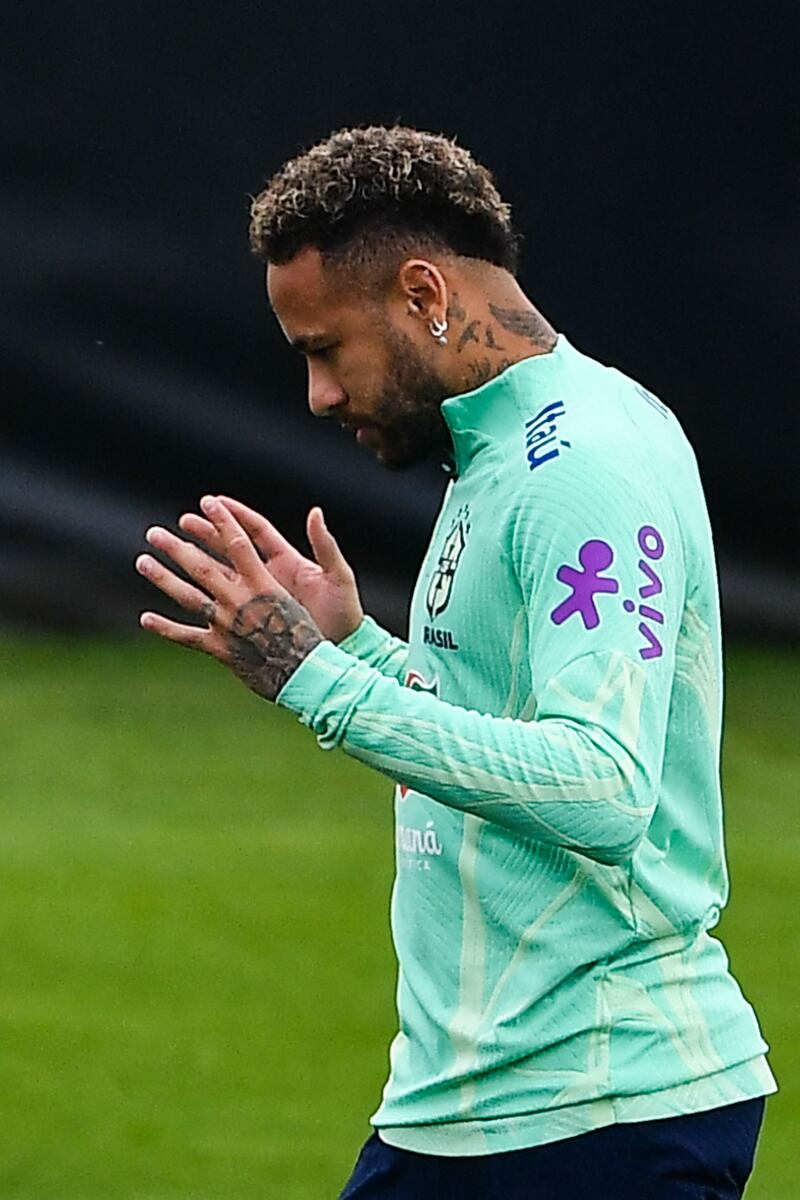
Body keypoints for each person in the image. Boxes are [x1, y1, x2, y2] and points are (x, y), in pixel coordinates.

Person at [135, 126, 776, 1198]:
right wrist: (359, 650)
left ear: (424, 293)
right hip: (470, 1110)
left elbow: (603, 787)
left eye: (323, 348)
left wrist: (314, 679)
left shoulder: (587, 465)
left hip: (600, 1117)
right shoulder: (504, 451)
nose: (318, 398)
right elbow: (499, 726)